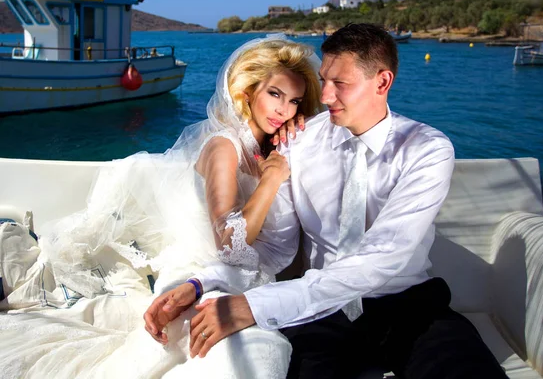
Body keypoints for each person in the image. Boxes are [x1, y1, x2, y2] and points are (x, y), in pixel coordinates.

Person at [146, 24, 509, 378]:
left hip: (409, 306)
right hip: (321, 315)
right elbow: (274, 250)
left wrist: (254, 306)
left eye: (341, 84)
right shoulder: (297, 143)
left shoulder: (427, 149)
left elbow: (385, 255)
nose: (325, 96)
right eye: (324, 80)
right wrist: (200, 283)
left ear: (382, 82)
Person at [0, 35, 322, 378]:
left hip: (242, 279)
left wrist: (293, 142)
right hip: (199, 270)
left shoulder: (270, 146)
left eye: (294, 101)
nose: (283, 110)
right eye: (275, 95)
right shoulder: (224, 147)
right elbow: (230, 246)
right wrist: (272, 180)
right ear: (248, 92)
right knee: (248, 356)